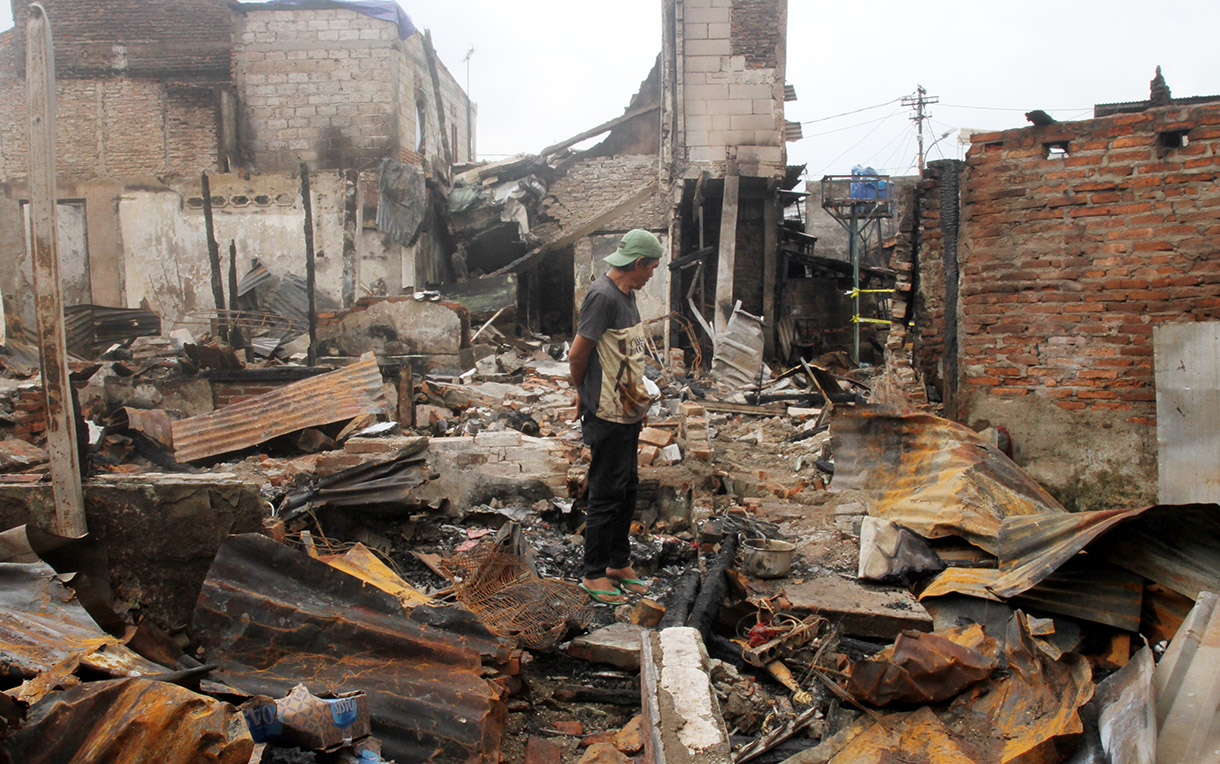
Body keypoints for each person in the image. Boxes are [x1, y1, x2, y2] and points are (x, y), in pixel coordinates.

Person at [569, 229, 664, 604]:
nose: (652, 274)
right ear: (637, 264)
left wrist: (637, 402)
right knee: (606, 492)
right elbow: (579, 355)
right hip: (606, 411)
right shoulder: (602, 296)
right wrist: (583, 393)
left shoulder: (628, 295)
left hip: (626, 408)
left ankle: (617, 562)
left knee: (626, 488)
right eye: (652, 267)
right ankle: (593, 573)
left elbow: (625, 356)